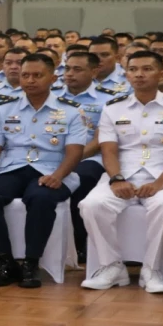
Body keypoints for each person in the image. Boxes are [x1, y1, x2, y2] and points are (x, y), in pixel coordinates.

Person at [80, 51, 163, 294]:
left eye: (147, 69)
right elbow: (108, 150)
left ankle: (152, 270)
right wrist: (116, 178)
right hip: (122, 173)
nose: (139, 74)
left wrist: (161, 182)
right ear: (127, 74)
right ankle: (112, 266)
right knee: (91, 204)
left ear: (161, 73)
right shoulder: (113, 108)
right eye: (133, 70)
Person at [0, 54, 88, 288]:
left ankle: (31, 263)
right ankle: (5, 261)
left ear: (53, 78)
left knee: (41, 197)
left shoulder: (71, 112)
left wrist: (58, 176)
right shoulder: (4, 110)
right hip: (12, 168)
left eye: (37, 75)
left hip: (52, 169)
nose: (30, 80)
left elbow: (74, 152)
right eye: (25, 75)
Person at [56, 50, 111, 264]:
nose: (69, 74)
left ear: (94, 71)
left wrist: (71, 159)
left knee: (83, 176)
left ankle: (81, 243)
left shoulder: (109, 99)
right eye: (67, 69)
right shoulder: (52, 95)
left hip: (89, 158)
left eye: (77, 69)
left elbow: (100, 139)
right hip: (52, 156)